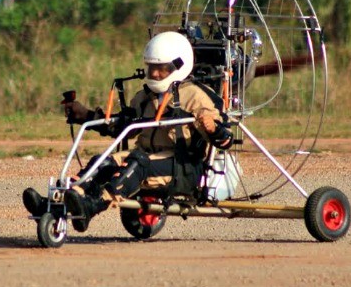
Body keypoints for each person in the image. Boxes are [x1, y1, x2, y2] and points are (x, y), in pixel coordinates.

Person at [22, 31, 233, 231]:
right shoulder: (144, 97)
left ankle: (93, 205)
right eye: (151, 67)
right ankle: (61, 202)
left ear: (178, 66)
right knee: (104, 161)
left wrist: (212, 128)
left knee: (137, 161)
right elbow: (121, 127)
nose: (155, 73)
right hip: (146, 157)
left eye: (162, 69)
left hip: (181, 167)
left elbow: (225, 140)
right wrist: (84, 115)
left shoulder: (195, 97)